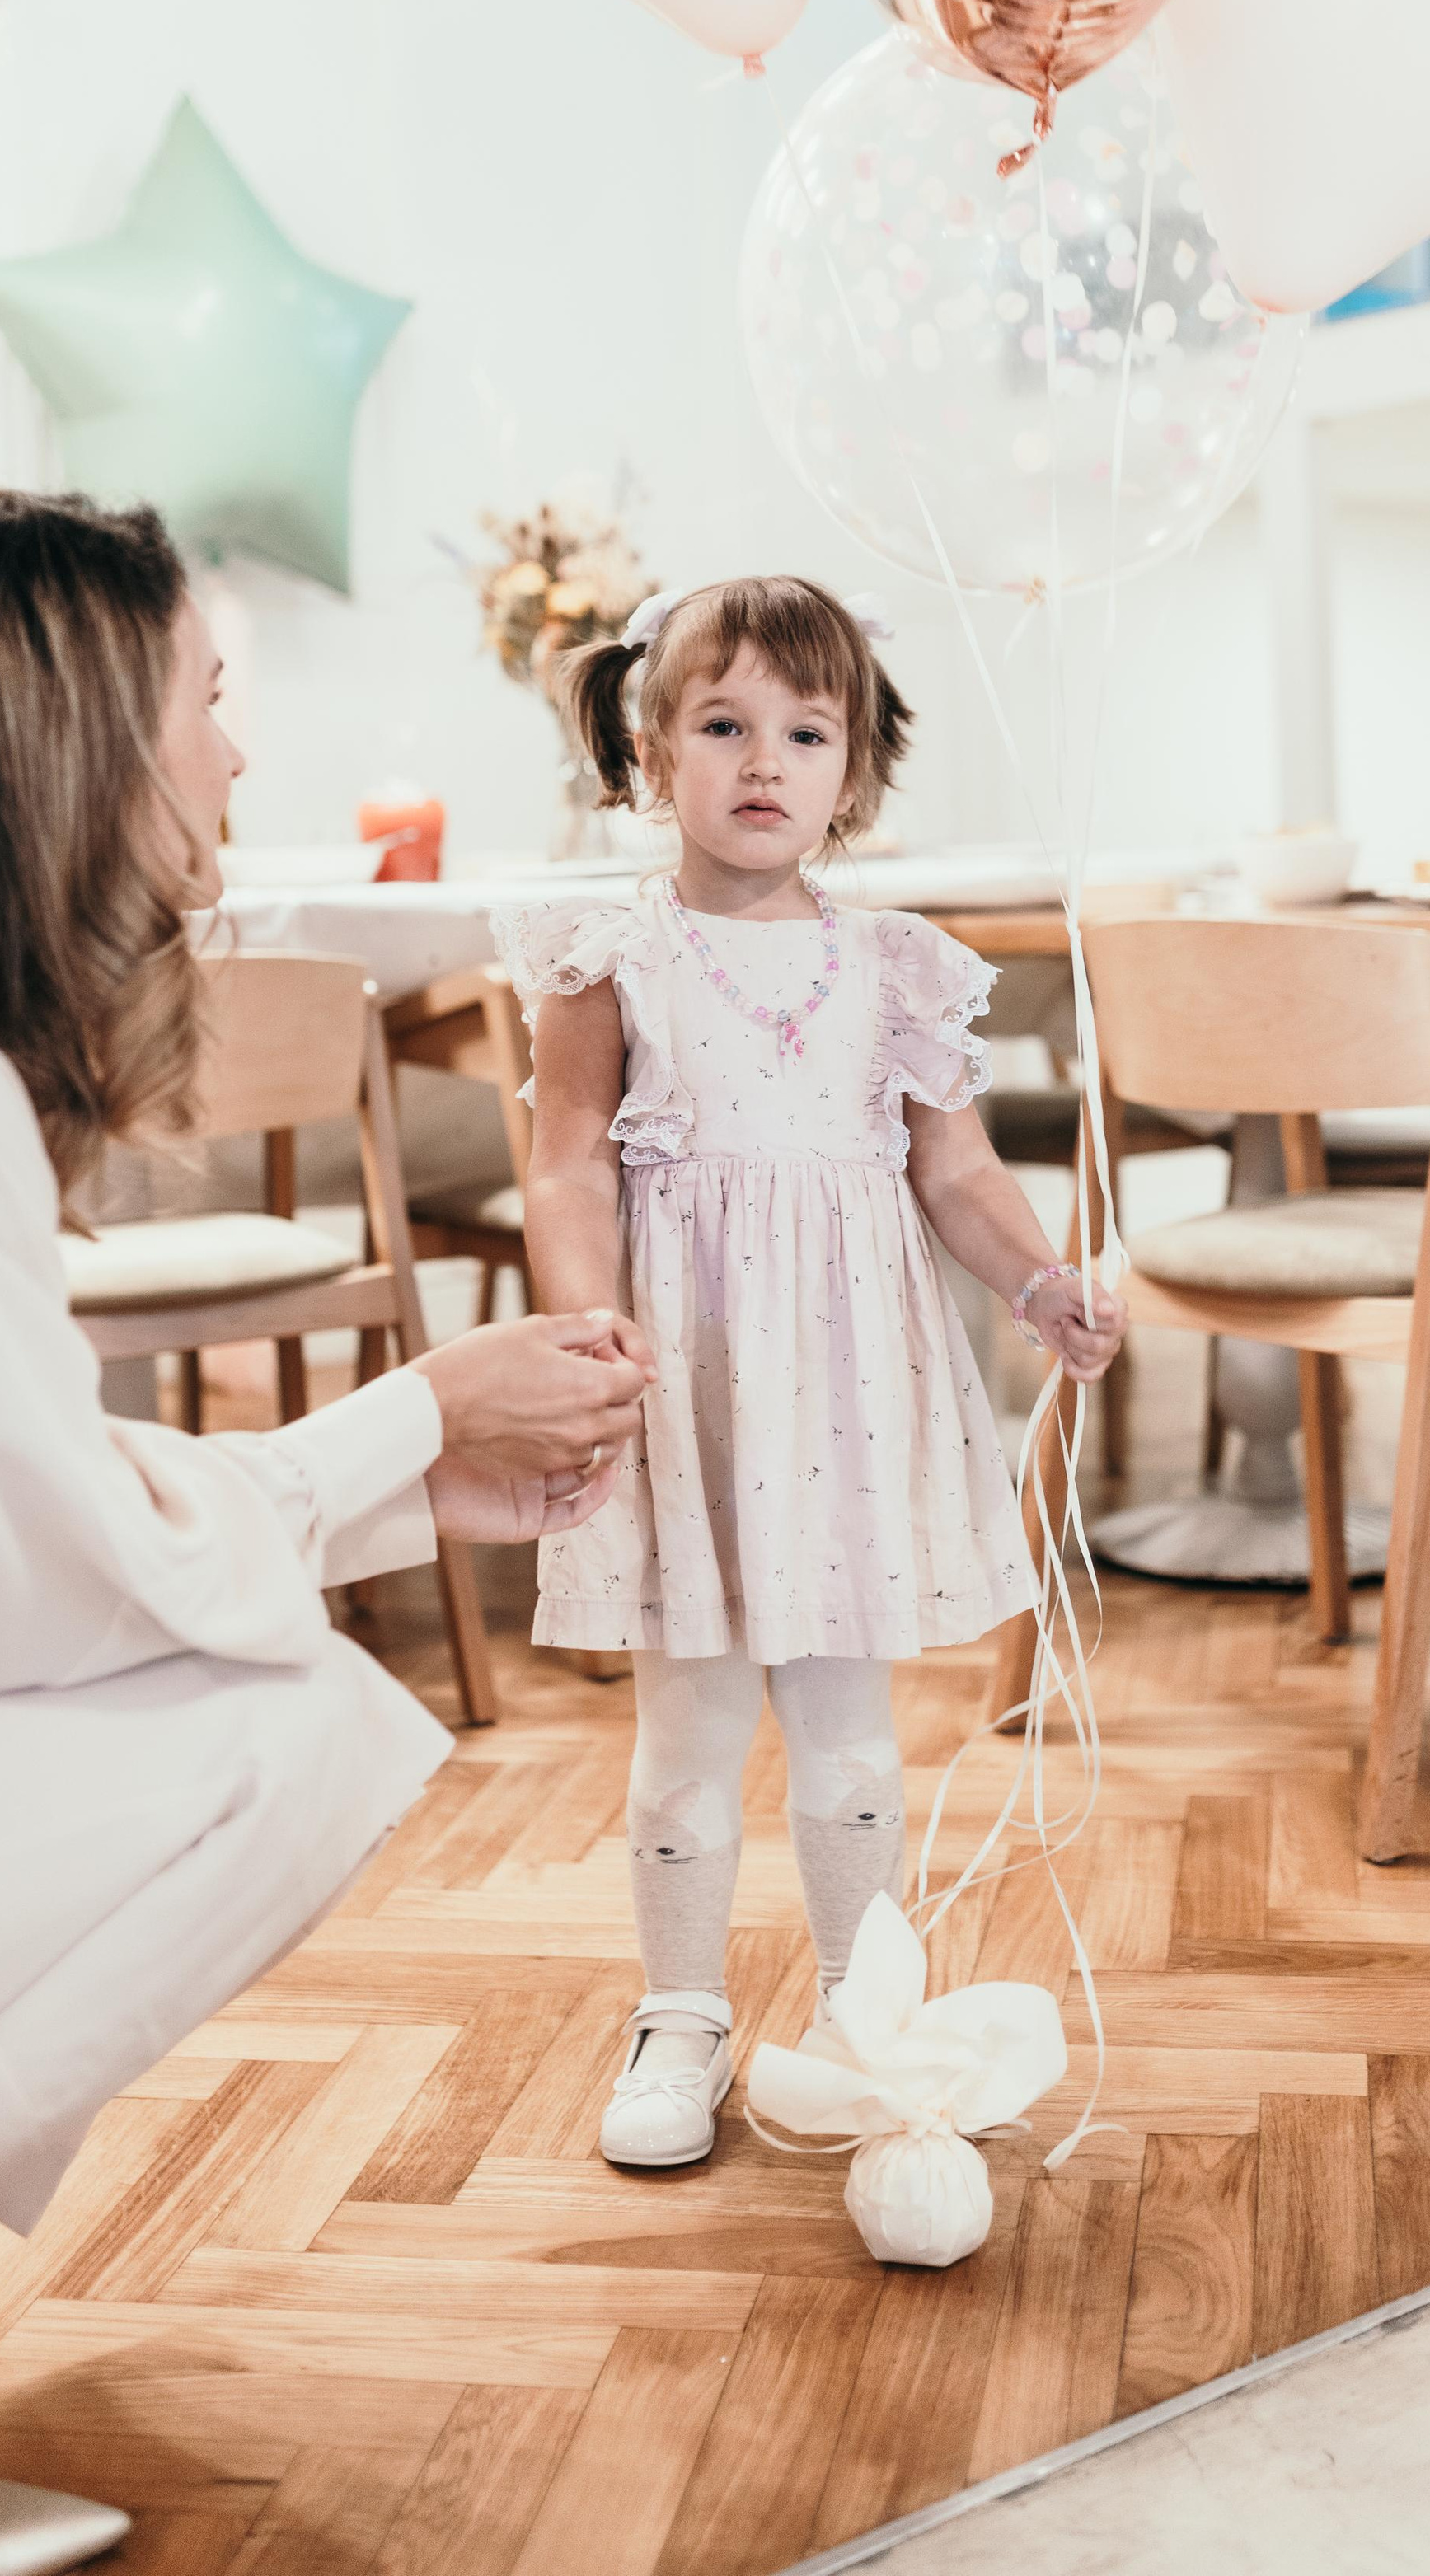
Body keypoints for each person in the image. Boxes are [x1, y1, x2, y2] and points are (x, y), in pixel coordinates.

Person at [0, 488, 653, 2576]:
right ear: (69, 744)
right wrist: (406, 1428)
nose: (238, 751)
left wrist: (397, 1484)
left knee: (242, 1674)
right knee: (284, 1720)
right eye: (207, 698)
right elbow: (9, 1600)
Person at [497, 576, 1126, 2173]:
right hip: (689, 1389)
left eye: (802, 729)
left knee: (848, 1736)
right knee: (688, 1726)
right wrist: (585, 1328)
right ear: (648, 754)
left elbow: (956, 1172)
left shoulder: (896, 966)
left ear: (852, 768)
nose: (760, 761)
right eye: (720, 725)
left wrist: (1040, 1277)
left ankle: (868, 2003)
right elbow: (564, 1161)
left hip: (842, 1398)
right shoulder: (606, 955)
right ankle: (681, 2012)